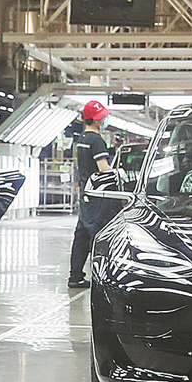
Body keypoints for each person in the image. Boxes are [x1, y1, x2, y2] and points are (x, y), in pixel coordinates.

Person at [67, 100, 114, 289]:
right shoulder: (96, 140)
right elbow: (103, 168)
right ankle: (101, 278)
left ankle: (76, 276)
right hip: (97, 195)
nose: (105, 119)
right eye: (103, 116)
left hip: (86, 193)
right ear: (96, 119)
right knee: (99, 235)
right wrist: (117, 174)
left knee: (82, 235)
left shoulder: (82, 139)